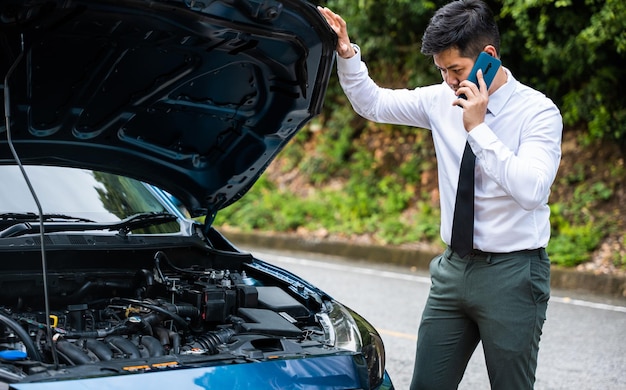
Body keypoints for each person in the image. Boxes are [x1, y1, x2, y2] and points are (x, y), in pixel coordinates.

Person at [318, 1, 562, 389]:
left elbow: (531, 190)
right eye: (442, 70)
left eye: (456, 70)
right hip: (453, 270)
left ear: (488, 57)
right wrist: (347, 54)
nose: (448, 80)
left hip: (514, 274)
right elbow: (374, 103)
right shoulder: (439, 101)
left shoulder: (538, 112)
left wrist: (478, 129)